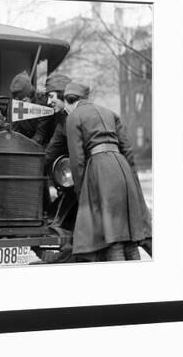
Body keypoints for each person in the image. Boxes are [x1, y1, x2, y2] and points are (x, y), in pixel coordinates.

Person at [63, 82, 152, 261]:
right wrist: (132, 182)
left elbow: (77, 160)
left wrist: (81, 192)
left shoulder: (73, 117)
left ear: (68, 100)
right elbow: (128, 150)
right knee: (129, 239)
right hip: (122, 168)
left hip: (100, 171)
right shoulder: (110, 113)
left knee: (113, 237)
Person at [42, 74, 72, 167]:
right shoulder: (62, 120)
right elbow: (50, 151)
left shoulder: (82, 114)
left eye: (51, 96)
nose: (48, 102)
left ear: (62, 94)